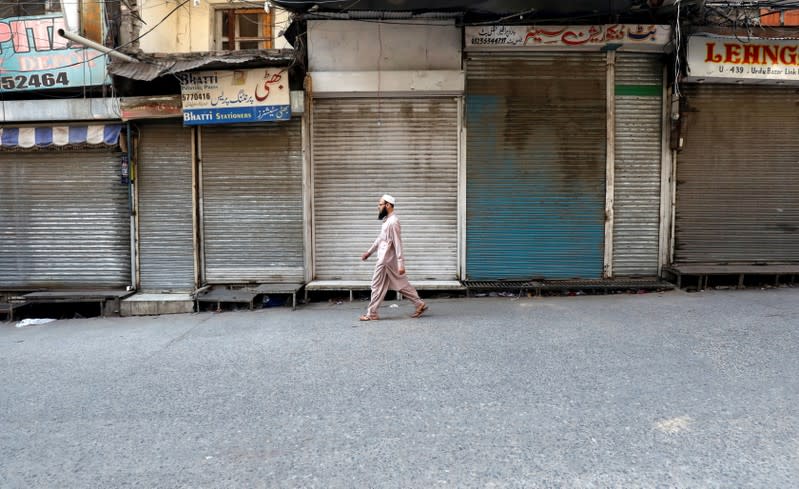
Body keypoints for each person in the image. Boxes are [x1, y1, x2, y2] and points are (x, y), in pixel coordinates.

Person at [359, 194, 428, 321]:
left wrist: (401, 264)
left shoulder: (393, 222)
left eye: (380, 204)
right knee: (401, 284)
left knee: (376, 285)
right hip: (386, 259)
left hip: (385, 260)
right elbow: (380, 239)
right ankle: (419, 304)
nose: (378, 207)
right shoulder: (387, 221)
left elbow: (398, 243)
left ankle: (372, 313)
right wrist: (369, 252)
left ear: (388, 205)